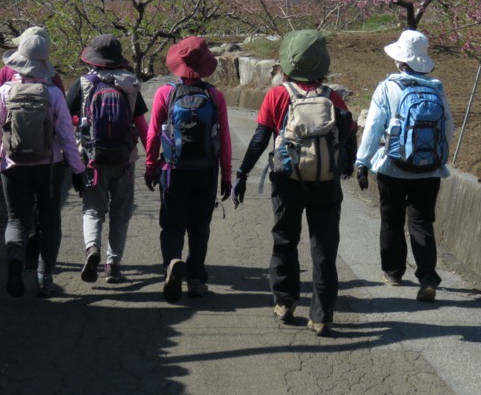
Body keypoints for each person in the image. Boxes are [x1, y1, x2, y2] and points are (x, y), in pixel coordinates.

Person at [231, 29, 356, 337]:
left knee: (285, 239)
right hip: (325, 182)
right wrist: (346, 165)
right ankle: (321, 315)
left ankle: (285, 302)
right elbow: (350, 134)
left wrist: (243, 173)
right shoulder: (333, 96)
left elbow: (261, 138)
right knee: (324, 248)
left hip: (287, 178)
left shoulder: (279, 95)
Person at [354, 30, 454, 302]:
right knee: (422, 222)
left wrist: (362, 162)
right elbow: (447, 128)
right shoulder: (436, 87)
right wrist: (437, 160)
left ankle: (394, 272)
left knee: (392, 220)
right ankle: (428, 277)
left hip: (392, 166)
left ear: (400, 60)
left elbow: (374, 127)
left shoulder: (388, 87)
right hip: (429, 169)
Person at [0, 30, 86, 298]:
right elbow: (67, 135)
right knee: (50, 219)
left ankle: (17, 260)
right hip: (49, 167)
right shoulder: (52, 93)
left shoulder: (5, 91)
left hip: (12, 164)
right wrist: (78, 170)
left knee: (17, 219)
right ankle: (44, 277)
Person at [144, 37, 232, 302]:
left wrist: (150, 166)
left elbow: (153, 135)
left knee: (172, 225)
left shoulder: (165, 93)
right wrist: (226, 175)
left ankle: (172, 263)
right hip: (205, 170)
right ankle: (195, 279)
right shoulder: (215, 96)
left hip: (172, 170)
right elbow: (224, 139)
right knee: (199, 226)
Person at [0, 26, 65, 270]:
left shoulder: (6, 76)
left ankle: (17, 253)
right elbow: (63, 125)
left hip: (12, 159)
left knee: (17, 217)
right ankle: (41, 270)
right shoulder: (54, 81)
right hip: (49, 161)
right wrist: (75, 165)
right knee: (47, 217)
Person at [66, 35, 150, 284]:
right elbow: (142, 126)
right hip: (125, 159)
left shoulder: (83, 84)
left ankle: (92, 249)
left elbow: (65, 119)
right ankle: (112, 265)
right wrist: (153, 160)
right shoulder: (130, 84)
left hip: (92, 158)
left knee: (93, 208)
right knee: (121, 212)